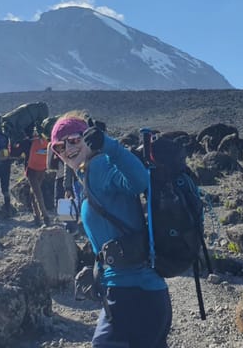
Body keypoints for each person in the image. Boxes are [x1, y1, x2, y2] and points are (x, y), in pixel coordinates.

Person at [49, 113, 171, 348]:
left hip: (137, 294)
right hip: (123, 291)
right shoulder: (83, 176)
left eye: (74, 140)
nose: (67, 149)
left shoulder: (101, 165)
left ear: (87, 139)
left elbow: (139, 182)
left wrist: (110, 146)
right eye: (59, 147)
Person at [25, 129, 51, 226]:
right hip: (43, 169)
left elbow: (15, 152)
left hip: (32, 170)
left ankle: (46, 217)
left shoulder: (29, 142)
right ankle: (37, 217)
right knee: (34, 192)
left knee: (37, 193)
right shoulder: (48, 141)